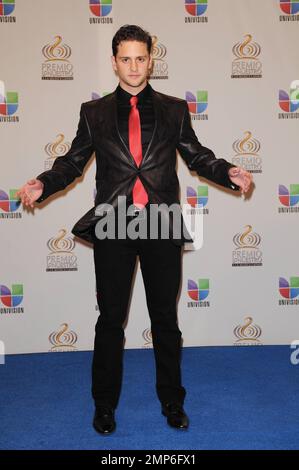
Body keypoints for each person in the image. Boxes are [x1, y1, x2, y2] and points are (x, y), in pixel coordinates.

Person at [17, 25, 252, 434]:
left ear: (151, 59)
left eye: (140, 58)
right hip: (113, 221)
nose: (133, 66)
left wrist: (228, 170)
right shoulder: (94, 113)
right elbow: (71, 163)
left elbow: (197, 156)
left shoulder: (175, 109)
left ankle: (172, 402)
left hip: (160, 220)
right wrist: (43, 183)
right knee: (110, 319)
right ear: (114, 62)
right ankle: (104, 406)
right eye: (125, 58)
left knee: (165, 319)